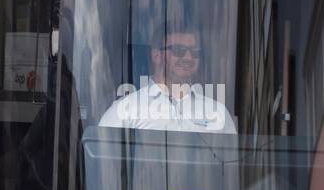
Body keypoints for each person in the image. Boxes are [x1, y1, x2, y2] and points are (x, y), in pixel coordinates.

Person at [99, 28, 236, 133]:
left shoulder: (218, 112)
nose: (188, 58)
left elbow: (232, 166)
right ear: (156, 55)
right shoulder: (125, 109)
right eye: (179, 50)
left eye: (194, 52)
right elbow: (103, 164)